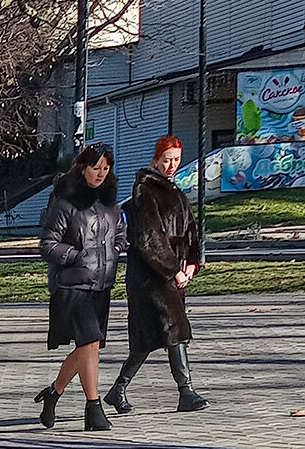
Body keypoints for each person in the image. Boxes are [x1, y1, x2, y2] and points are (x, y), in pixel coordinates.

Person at [103, 135, 208, 415]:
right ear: (156, 158)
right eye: (167, 159)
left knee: (148, 338)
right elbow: (149, 238)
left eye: (176, 159)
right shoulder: (145, 190)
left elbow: (191, 231)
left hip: (172, 274)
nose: (172, 165)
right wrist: (172, 270)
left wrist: (192, 264)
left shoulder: (174, 190)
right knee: (173, 329)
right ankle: (186, 391)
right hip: (150, 277)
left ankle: (117, 390)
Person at [35, 142, 125, 431]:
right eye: (95, 167)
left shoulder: (110, 202)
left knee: (92, 346)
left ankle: (54, 392)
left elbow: (121, 232)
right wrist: (76, 256)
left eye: (105, 168)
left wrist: (118, 247)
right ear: (83, 168)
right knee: (88, 342)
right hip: (72, 286)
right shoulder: (65, 202)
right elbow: (47, 244)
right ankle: (93, 407)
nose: (100, 173)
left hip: (101, 284)